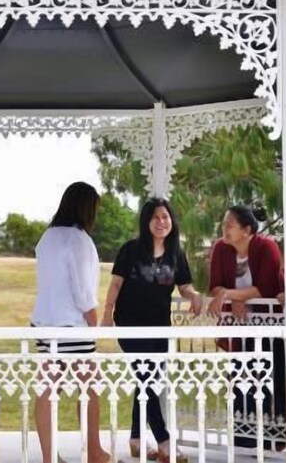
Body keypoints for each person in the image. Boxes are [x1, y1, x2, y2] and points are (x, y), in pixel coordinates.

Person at [101, 198, 202, 463]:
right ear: (146, 221)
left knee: (146, 382)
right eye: (155, 217)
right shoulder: (131, 250)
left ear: (172, 221)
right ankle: (165, 442)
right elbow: (115, 285)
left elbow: (184, 285)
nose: (161, 222)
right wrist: (106, 315)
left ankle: (135, 439)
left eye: (165, 217)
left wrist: (194, 295)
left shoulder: (175, 253)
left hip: (160, 327)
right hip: (130, 325)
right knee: (147, 380)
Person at [30, 181, 112, 463]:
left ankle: (49, 456)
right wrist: (94, 321)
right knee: (90, 385)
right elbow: (82, 290)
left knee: (47, 386)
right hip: (71, 325)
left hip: (44, 322)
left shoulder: (47, 237)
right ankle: (94, 451)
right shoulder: (78, 239)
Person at [207, 205, 284, 450]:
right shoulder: (221, 249)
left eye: (229, 224)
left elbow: (266, 288)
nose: (224, 229)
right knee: (240, 377)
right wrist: (235, 298)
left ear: (246, 229)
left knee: (271, 378)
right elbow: (215, 287)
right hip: (240, 326)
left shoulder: (266, 247)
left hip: (271, 325)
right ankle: (244, 439)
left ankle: (277, 437)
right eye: (223, 224)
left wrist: (234, 295)